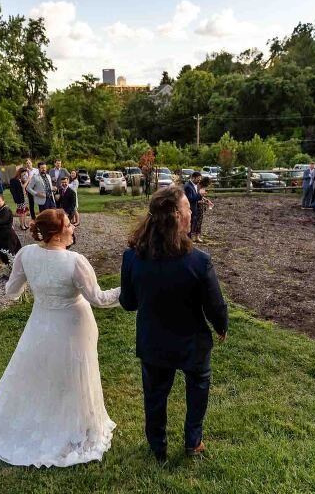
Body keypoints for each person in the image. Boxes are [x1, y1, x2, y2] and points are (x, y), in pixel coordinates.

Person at [0, 209, 121, 468]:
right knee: (73, 375)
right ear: (57, 233)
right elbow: (98, 299)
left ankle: (48, 420)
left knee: (43, 374)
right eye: (69, 224)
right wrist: (128, 290)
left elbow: (11, 291)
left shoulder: (25, 254)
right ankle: (76, 428)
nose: (73, 227)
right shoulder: (75, 261)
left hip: (40, 325)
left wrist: (34, 281)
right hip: (73, 326)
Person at [120, 186, 228, 462]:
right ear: (177, 216)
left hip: (153, 341)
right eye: (188, 208)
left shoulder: (132, 256)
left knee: (155, 396)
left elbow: (129, 302)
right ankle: (193, 441)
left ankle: (158, 447)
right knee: (198, 386)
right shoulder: (199, 261)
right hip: (192, 342)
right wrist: (221, 326)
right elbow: (215, 305)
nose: (192, 211)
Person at [192, 177, 213, 243]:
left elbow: (201, 197)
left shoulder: (201, 188)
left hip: (200, 207)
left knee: (199, 222)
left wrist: (206, 200)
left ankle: (197, 237)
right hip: (196, 207)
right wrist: (204, 202)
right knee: (195, 222)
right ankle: (192, 237)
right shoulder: (196, 187)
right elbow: (194, 199)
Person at [184, 171, 202, 239]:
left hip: (193, 209)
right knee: (188, 228)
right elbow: (189, 199)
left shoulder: (194, 185)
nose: (199, 180)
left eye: (200, 179)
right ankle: (187, 242)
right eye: (198, 179)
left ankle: (189, 241)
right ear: (193, 178)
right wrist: (200, 195)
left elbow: (194, 196)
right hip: (190, 210)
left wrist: (201, 199)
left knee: (191, 228)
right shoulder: (188, 186)